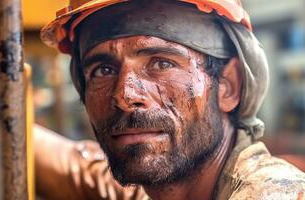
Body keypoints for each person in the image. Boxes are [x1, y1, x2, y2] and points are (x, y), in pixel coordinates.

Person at [35, 0, 305, 199]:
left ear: (228, 85)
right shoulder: (160, 189)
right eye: (103, 70)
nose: (125, 95)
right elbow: (74, 165)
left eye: (162, 63)